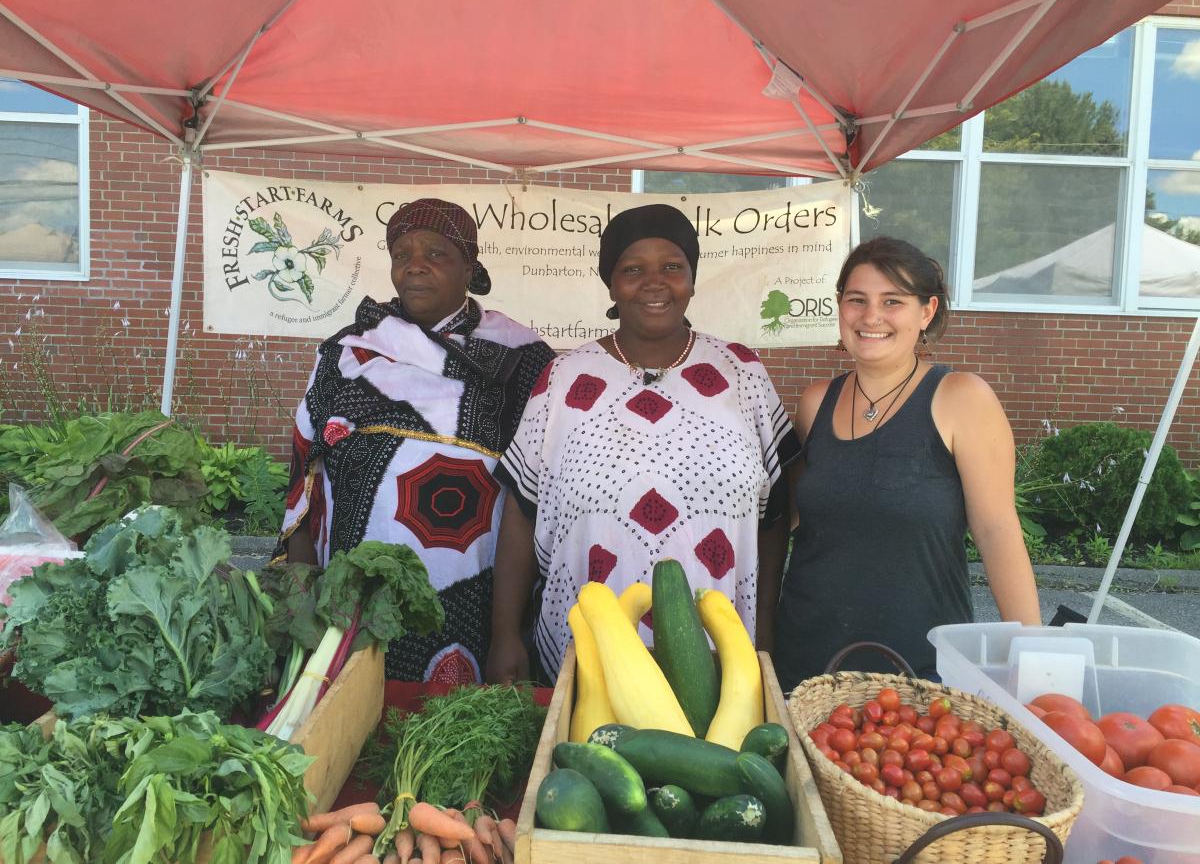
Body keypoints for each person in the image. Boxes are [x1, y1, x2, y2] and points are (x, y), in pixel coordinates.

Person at [486, 203, 800, 684]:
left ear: (692, 279)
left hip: (722, 651)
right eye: (632, 269)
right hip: (589, 649)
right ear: (611, 284)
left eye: (672, 267)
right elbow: (523, 509)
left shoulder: (741, 372)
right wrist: (505, 633)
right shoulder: (564, 379)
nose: (654, 282)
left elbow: (774, 516)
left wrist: (764, 633)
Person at [275, 198, 556, 683]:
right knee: (355, 716)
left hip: (475, 592)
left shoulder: (523, 358)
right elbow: (306, 472)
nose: (415, 266)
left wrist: (511, 631)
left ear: (470, 265)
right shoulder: (349, 350)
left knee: (461, 730)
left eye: (436, 253)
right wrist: (302, 592)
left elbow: (536, 493)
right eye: (401, 254)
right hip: (357, 588)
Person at [774, 236, 1041, 689]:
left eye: (892, 301)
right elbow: (790, 520)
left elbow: (997, 530)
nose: (871, 316)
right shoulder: (816, 402)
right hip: (806, 662)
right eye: (857, 300)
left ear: (926, 312)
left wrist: (1036, 657)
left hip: (920, 666)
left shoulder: (961, 398)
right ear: (840, 307)